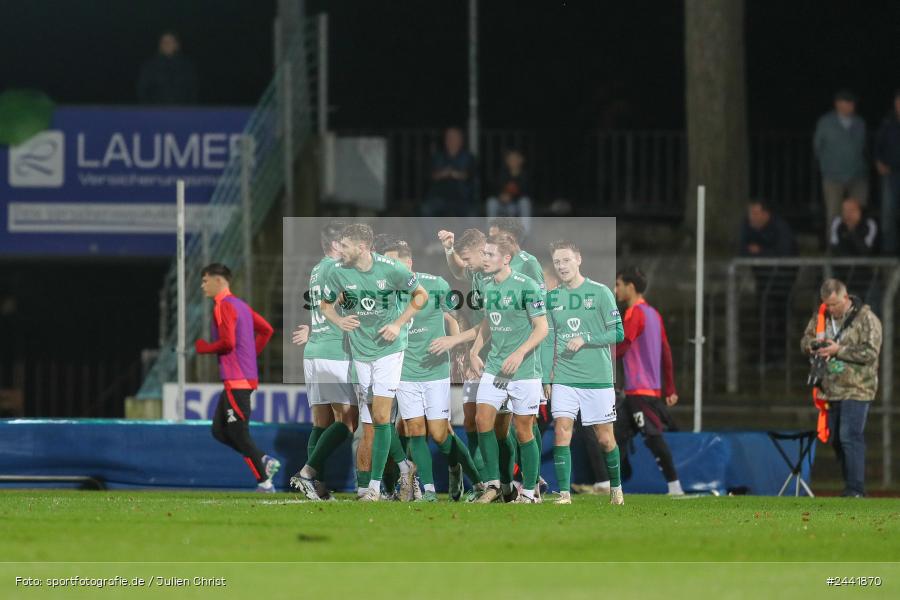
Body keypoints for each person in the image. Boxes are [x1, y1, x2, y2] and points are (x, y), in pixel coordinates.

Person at [301, 224, 427, 502]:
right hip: (360, 352)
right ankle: (405, 469)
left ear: (361, 247)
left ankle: (373, 487)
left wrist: (397, 324)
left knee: (380, 417)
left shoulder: (390, 269)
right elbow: (324, 304)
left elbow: (421, 295)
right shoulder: (337, 272)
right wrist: (339, 320)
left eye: (345, 245)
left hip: (389, 351)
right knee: (371, 418)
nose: (340, 250)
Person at [379, 237, 484, 502]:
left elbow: (453, 318)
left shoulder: (437, 285)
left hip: (436, 370)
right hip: (405, 371)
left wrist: (455, 347)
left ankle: (474, 478)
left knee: (439, 433)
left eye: (396, 262)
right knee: (414, 429)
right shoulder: (386, 292)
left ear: (409, 263)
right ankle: (428, 490)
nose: (392, 268)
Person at [470, 234, 549, 503]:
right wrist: (474, 350)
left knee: (524, 429)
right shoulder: (486, 285)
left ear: (506, 259)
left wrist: (519, 352)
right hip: (495, 366)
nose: (484, 259)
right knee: (482, 419)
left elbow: (542, 328)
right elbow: (487, 323)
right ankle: (493, 484)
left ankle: (529, 491)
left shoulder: (527, 286)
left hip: (524, 370)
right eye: (483, 254)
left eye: (490, 255)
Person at [545, 241, 625, 505]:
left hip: (597, 377)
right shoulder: (552, 298)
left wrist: (586, 338)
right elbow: (549, 340)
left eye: (566, 260)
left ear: (578, 259)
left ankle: (615, 488)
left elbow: (618, 332)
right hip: (565, 377)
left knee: (604, 438)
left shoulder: (600, 293)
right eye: (557, 262)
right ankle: (565, 494)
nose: (561, 266)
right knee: (561, 430)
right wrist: (547, 376)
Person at [288, 221, 358, 501]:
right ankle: (306, 473)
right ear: (338, 244)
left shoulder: (318, 269)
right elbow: (349, 300)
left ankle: (316, 484)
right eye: (348, 243)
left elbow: (323, 304)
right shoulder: (338, 269)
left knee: (321, 422)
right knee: (347, 422)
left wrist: (313, 328)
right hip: (333, 353)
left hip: (314, 352)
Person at [194, 263, 278, 492]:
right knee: (219, 431)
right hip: (241, 377)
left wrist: (204, 348)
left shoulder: (223, 305)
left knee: (237, 432)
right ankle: (263, 460)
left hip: (236, 379)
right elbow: (267, 330)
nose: (203, 285)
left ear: (218, 280)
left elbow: (228, 342)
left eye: (205, 280)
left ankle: (264, 481)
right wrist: (249, 356)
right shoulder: (241, 305)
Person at [801, 279, 882, 497]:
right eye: (827, 304)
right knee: (837, 438)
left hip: (858, 388)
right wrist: (813, 346)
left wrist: (839, 350)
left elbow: (871, 352)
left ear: (846, 298)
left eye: (835, 304)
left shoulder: (866, 319)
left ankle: (855, 489)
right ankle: (851, 485)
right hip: (831, 388)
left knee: (850, 435)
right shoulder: (821, 317)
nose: (831, 309)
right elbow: (805, 340)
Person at [613, 266, 684, 496]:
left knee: (652, 438)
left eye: (618, 285)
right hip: (648, 389)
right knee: (615, 434)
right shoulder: (655, 314)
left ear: (630, 287)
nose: (616, 290)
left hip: (639, 390)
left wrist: (598, 357)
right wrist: (670, 387)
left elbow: (624, 344)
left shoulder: (634, 313)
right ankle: (610, 482)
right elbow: (666, 351)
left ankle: (675, 487)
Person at [739, 200, 798, 365]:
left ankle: (778, 355)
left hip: (783, 281)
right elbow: (743, 250)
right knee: (764, 316)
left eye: (756, 214)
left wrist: (760, 252)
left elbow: (784, 252)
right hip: (763, 280)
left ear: (766, 214)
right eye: (751, 213)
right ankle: (765, 354)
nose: (752, 217)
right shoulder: (749, 226)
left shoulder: (780, 228)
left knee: (779, 317)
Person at [814, 90, 869, 242]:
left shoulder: (860, 122)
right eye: (847, 102)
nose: (850, 106)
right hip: (833, 176)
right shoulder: (825, 122)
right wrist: (827, 167)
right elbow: (818, 147)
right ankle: (833, 253)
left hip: (857, 175)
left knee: (859, 213)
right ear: (838, 104)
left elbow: (863, 147)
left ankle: (861, 249)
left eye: (852, 103)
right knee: (834, 214)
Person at [422, 127, 478, 219]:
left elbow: (470, 176)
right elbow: (430, 176)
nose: (451, 140)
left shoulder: (468, 157)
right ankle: (430, 234)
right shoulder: (437, 157)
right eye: (448, 137)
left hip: (462, 198)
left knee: (472, 214)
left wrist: (455, 174)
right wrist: (442, 174)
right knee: (426, 209)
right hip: (439, 197)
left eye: (454, 137)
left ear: (460, 140)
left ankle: (467, 234)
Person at [137, 31, 198, 105]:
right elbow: (142, 91)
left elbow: (193, 90)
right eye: (164, 42)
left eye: (170, 41)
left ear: (177, 45)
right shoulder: (150, 66)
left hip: (182, 111)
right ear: (160, 45)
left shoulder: (187, 66)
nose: (167, 44)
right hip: (156, 111)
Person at [875, 90, 900, 254]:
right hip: (891, 175)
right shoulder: (888, 123)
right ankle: (889, 255)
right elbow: (878, 146)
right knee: (888, 216)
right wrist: (878, 162)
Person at [486, 150, 532, 233]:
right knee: (491, 202)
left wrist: (512, 197)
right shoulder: (501, 174)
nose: (513, 162)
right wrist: (500, 196)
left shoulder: (525, 175)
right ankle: (491, 232)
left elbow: (527, 192)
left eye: (515, 159)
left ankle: (525, 233)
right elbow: (493, 189)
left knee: (525, 202)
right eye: (510, 159)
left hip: (516, 206)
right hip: (503, 205)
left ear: (521, 160)